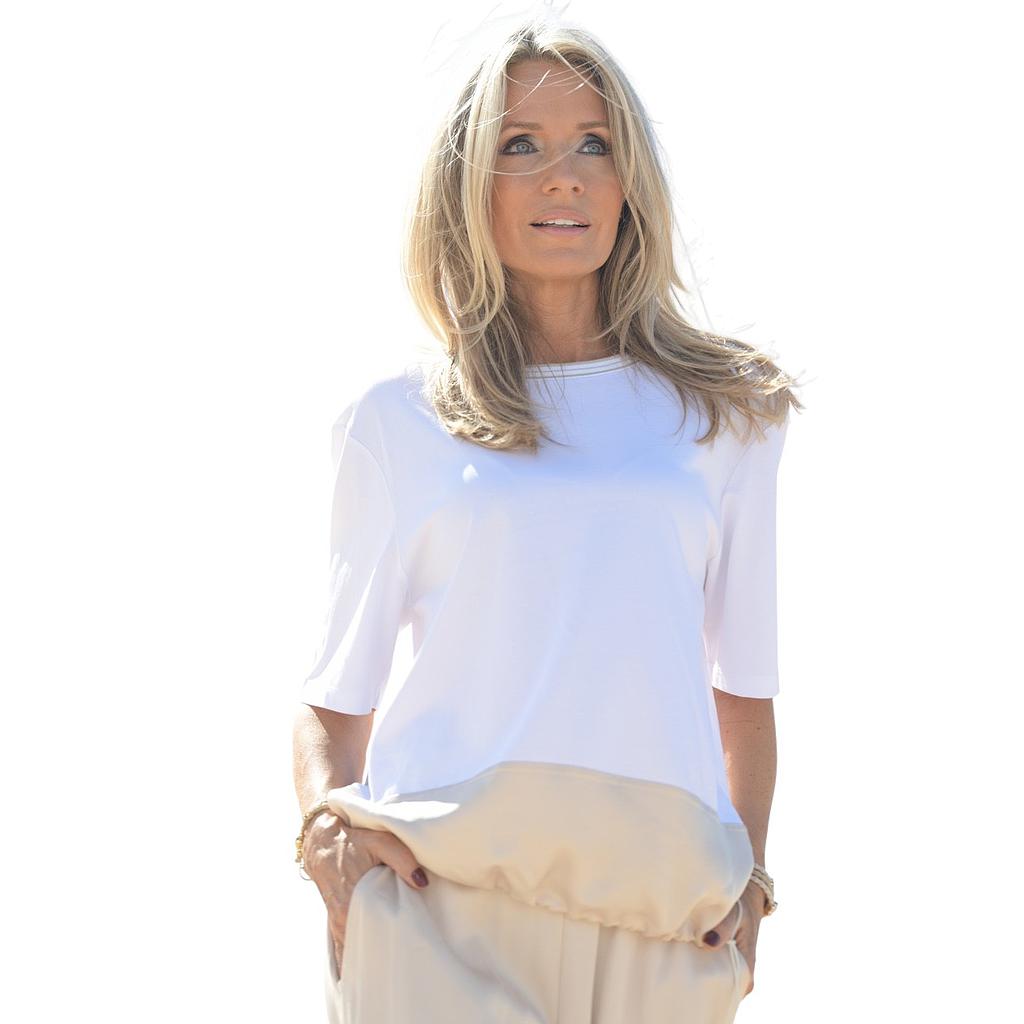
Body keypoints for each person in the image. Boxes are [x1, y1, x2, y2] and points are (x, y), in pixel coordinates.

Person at [291, 15, 803, 1024]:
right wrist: (324, 836)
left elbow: (743, 690)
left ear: (629, 183)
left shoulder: (728, 414)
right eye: (520, 144)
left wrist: (751, 882)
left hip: (664, 919)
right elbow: (333, 700)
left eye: (593, 144)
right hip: (438, 907)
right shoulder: (395, 421)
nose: (562, 177)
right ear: (468, 185)